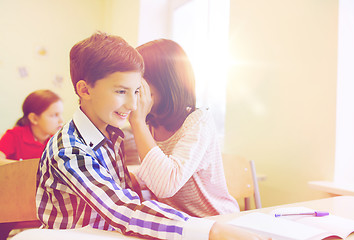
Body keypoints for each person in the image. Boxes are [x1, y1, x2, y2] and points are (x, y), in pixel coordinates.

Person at [35, 32, 269, 240]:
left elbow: (127, 193)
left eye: (137, 91)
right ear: (85, 90)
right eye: (120, 91)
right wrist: (211, 231)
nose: (133, 103)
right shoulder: (70, 150)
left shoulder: (111, 135)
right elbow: (121, 208)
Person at [129, 39, 240, 218]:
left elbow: (166, 183)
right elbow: (153, 171)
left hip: (216, 220)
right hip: (182, 224)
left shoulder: (198, 121)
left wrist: (138, 123)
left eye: (140, 80)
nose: (134, 88)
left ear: (165, 81)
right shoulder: (152, 125)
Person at [0, 89, 63, 163]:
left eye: (61, 114)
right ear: (34, 119)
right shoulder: (14, 135)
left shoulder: (57, 141)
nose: (61, 120)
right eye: (55, 115)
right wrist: (23, 166)